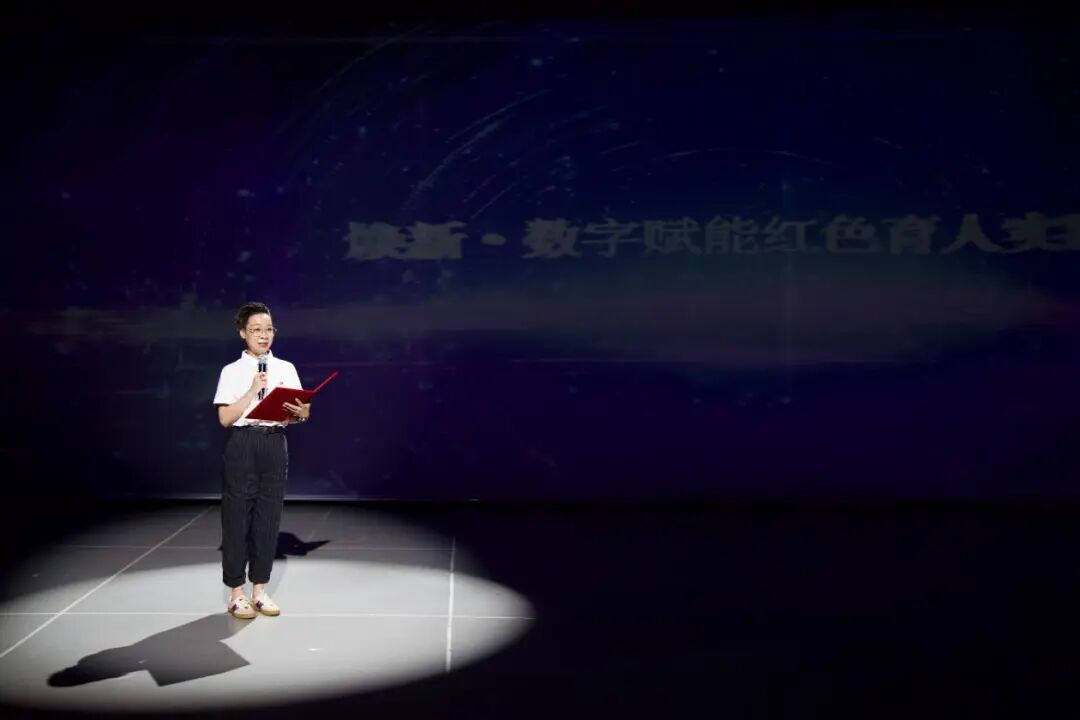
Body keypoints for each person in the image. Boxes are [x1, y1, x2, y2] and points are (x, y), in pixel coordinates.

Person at [213, 302, 310, 619]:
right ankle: (236, 593)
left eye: (269, 329)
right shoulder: (232, 371)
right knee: (237, 518)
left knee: (269, 518)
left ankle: (259, 590)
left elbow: (300, 413)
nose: (264, 335)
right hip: (244, 443)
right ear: (243, 333)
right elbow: (225, 418)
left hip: (274, 443)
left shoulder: (286, 368)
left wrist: (302, 413)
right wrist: (252, 390)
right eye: (256, 330)